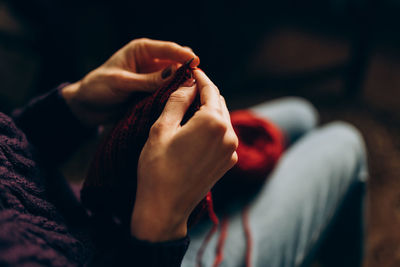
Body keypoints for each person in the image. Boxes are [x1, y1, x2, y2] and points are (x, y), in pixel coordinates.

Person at [0, 38, 367, 267]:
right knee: (343, 142)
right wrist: (160, 222)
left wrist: (71, 106)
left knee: (299, 114)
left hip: (85, 216)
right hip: (141, 248)